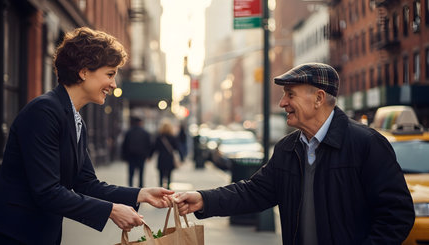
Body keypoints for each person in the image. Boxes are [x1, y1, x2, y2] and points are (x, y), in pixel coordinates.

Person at [174, 63, 415, 244]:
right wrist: (204, 199)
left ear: (319, 98)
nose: (282, 103)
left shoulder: (367, 144)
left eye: (290, 94)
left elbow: (397, 216)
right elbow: (254, 192)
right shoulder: (287, 149)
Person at [0, 27, 174, 245]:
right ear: (83, 71)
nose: (114, 84)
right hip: (6, 233)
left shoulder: (75, 119)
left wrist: (141, 194)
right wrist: (111, 210)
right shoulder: (43, 111)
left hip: (37, 234)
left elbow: (87, 183)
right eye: (109, 74)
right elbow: (47, 191)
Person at [122, 116, 152, 188]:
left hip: (131, 156)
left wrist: (124, 156)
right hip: (141, 156)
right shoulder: (145, 132)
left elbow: (124, 145)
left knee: (131, 173)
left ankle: (130, 187)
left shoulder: (129, 132)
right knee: (141, 173)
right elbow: (149, 144)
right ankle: (140, 187)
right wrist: (149, 155)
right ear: (140, 123)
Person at [151, 119, 180, 189]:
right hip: (169, 158)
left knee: (161, 175)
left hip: (161, 158)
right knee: (169, 175)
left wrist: (150, 156)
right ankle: (168, 189)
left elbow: (154, 148)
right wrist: (181, 158)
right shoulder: (172, 137)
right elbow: (177, 148)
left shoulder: (159, 137)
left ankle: (161, 189)